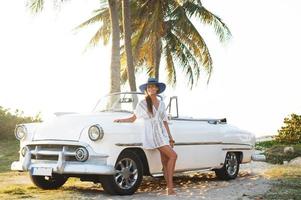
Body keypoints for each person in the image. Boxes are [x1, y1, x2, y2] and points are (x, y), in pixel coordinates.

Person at [113, 77, 178, 195]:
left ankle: (169, 188)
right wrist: (120, 120)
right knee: (173, 156)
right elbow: (133, 118)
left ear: (157, 88)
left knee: (165, 160)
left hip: (162, 134)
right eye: (149, 87)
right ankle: (170, 188)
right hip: (152, 134)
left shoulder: (162, 104)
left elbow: (164, 121)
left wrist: (170, 137)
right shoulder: (142, 103)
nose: (151, 88)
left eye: (153, 86)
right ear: (147, 90)